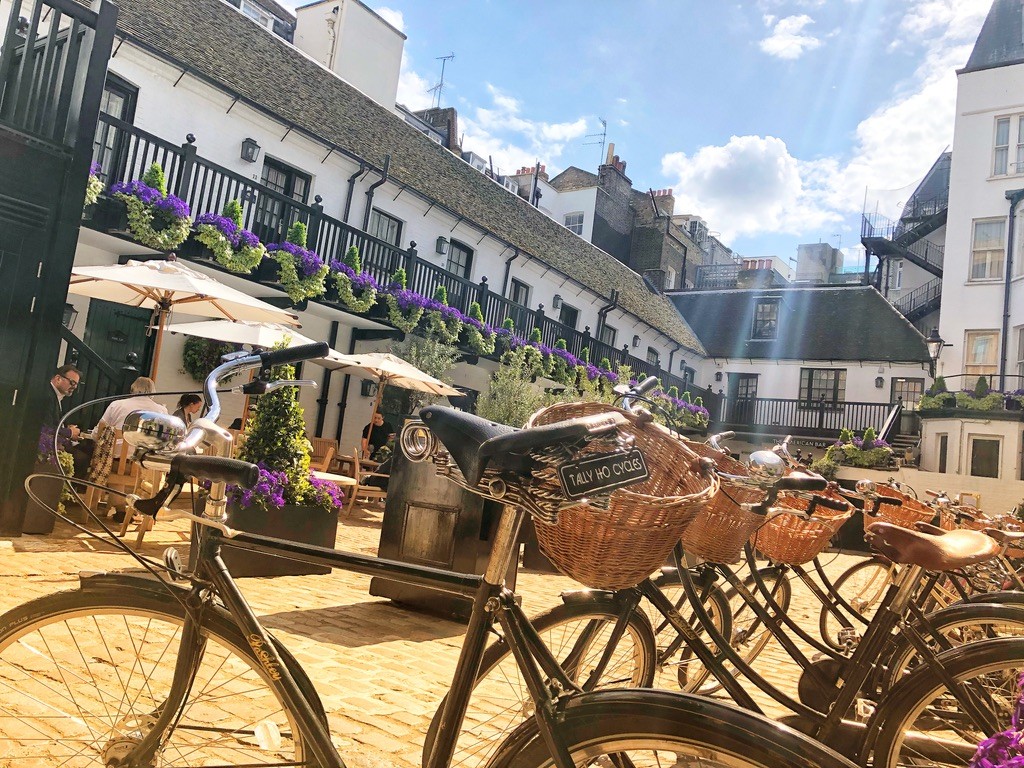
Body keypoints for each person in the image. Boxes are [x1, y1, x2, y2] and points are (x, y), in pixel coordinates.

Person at [96, 377, 168, 434]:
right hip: (147, 447)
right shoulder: (161, 411)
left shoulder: (116, 405)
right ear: (153, 391)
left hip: (118, 447)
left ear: (132, 388)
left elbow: (100, 428)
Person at [45, 364, 81, 439]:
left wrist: (65, 429)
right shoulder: (47, 396)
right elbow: (46, 428)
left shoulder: (54, 395)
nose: (75, 387)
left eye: (76, 384)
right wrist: (69, 432)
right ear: (58, 379)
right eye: (72, 382)